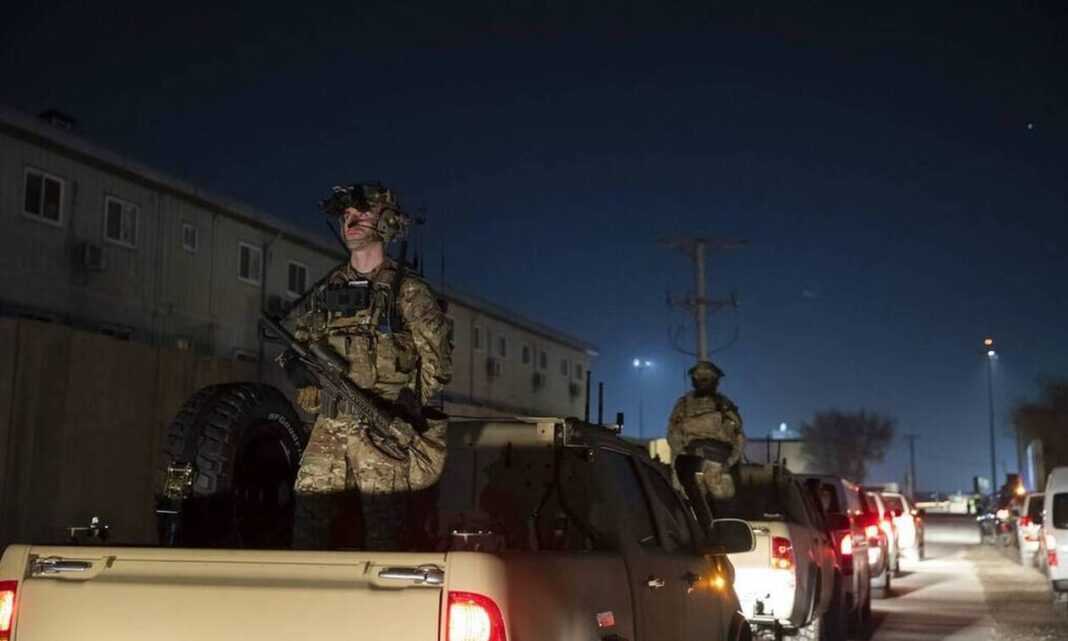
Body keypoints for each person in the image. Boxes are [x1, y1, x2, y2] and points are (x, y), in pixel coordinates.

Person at [283, 182, 452, 550]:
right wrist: (304, 381)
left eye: (362, 213)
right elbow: (295, 346)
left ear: (387, 222)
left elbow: (436, 365)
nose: (351, 221)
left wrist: (405, 409)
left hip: (381, 424)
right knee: (309, 528)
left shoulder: (408, 291)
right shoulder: (325, 291)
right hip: (330, 425)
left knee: (385, 534)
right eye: (346, 215)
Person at [667, 360, 745, 501]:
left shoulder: (723, 404)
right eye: (700, 378)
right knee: (691, 501)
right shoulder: (684, 404)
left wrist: (729, 462)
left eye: (707, 378)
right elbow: (674, 435)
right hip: (692, 462)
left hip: (718, 462)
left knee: (722, 502)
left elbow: (738, 436)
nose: (703, 382)